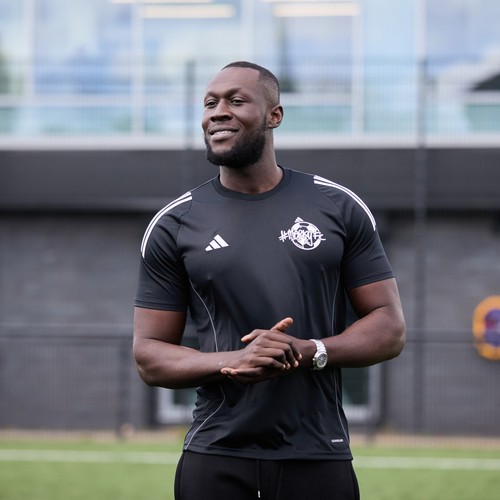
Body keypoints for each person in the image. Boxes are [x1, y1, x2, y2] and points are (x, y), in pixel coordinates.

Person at [133, 61, 406, 500]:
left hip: (319, 453)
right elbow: (149, 356)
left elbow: (389, 328)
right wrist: (233, 361)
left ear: (274, 116)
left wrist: (310, 351)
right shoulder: (174, 223)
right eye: (209, 103)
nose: (217, 112)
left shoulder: (338, 207)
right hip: (216, 454)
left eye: (235, 101)